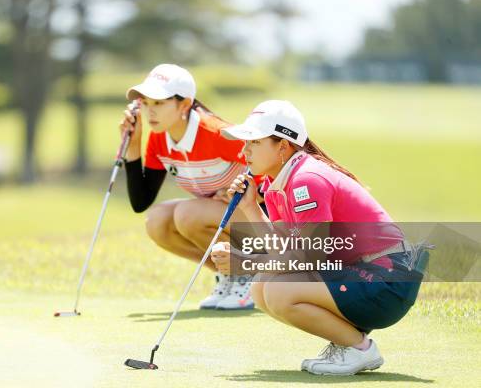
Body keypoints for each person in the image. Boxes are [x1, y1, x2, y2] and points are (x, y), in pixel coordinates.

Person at [210, 100, 424, 375]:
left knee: (277, 291)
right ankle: (347, 345)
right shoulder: (276, 184)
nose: (245, 151)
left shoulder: (306, 180)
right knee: (263, 287)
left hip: (387, 282)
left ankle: (359, 350)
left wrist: (244, 263)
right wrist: (251, 206)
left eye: (254, 142)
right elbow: (285, 248)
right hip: (361, 274)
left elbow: (310, 257)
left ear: (283, 146)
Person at [120, 63, 262, 310]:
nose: (150, 112)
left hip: (269, 220)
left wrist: (253, 193)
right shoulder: (158, 139)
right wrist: (133, 145)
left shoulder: (216, 133)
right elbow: (140, 202)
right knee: (158, 221)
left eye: (160, 103)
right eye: (146, 103)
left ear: (184, 104)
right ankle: (230, 274)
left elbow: (273, 165)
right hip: (228, 217)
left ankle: (249, 275)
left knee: (188, 214)